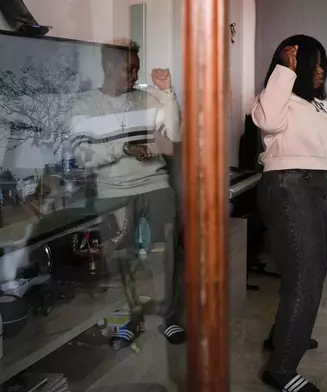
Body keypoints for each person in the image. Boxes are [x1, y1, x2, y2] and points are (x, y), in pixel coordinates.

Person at [68, 38, 186, 351]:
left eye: (136, 69)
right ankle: (129, 321)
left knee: (169, 254)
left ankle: (170, 317)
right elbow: (82, 155)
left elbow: (175, 134)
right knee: (119, 259)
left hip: (154, 184)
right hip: (112, 190)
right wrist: (121, 148)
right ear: (108, 66)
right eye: (128, 69)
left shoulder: (147, 99)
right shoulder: (86, 105)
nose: (133, 76)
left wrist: (168, 94)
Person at [252, 34, 327, 392]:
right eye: (314, 61)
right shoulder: (277, 98)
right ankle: (281, 367)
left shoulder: (322, 107)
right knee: (306, 277)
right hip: (288, 188)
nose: (322, 69)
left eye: (324, 62)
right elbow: (265, 122)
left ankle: (285, 335)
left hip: (315, 189)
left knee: (311, 273)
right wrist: (284, 70)